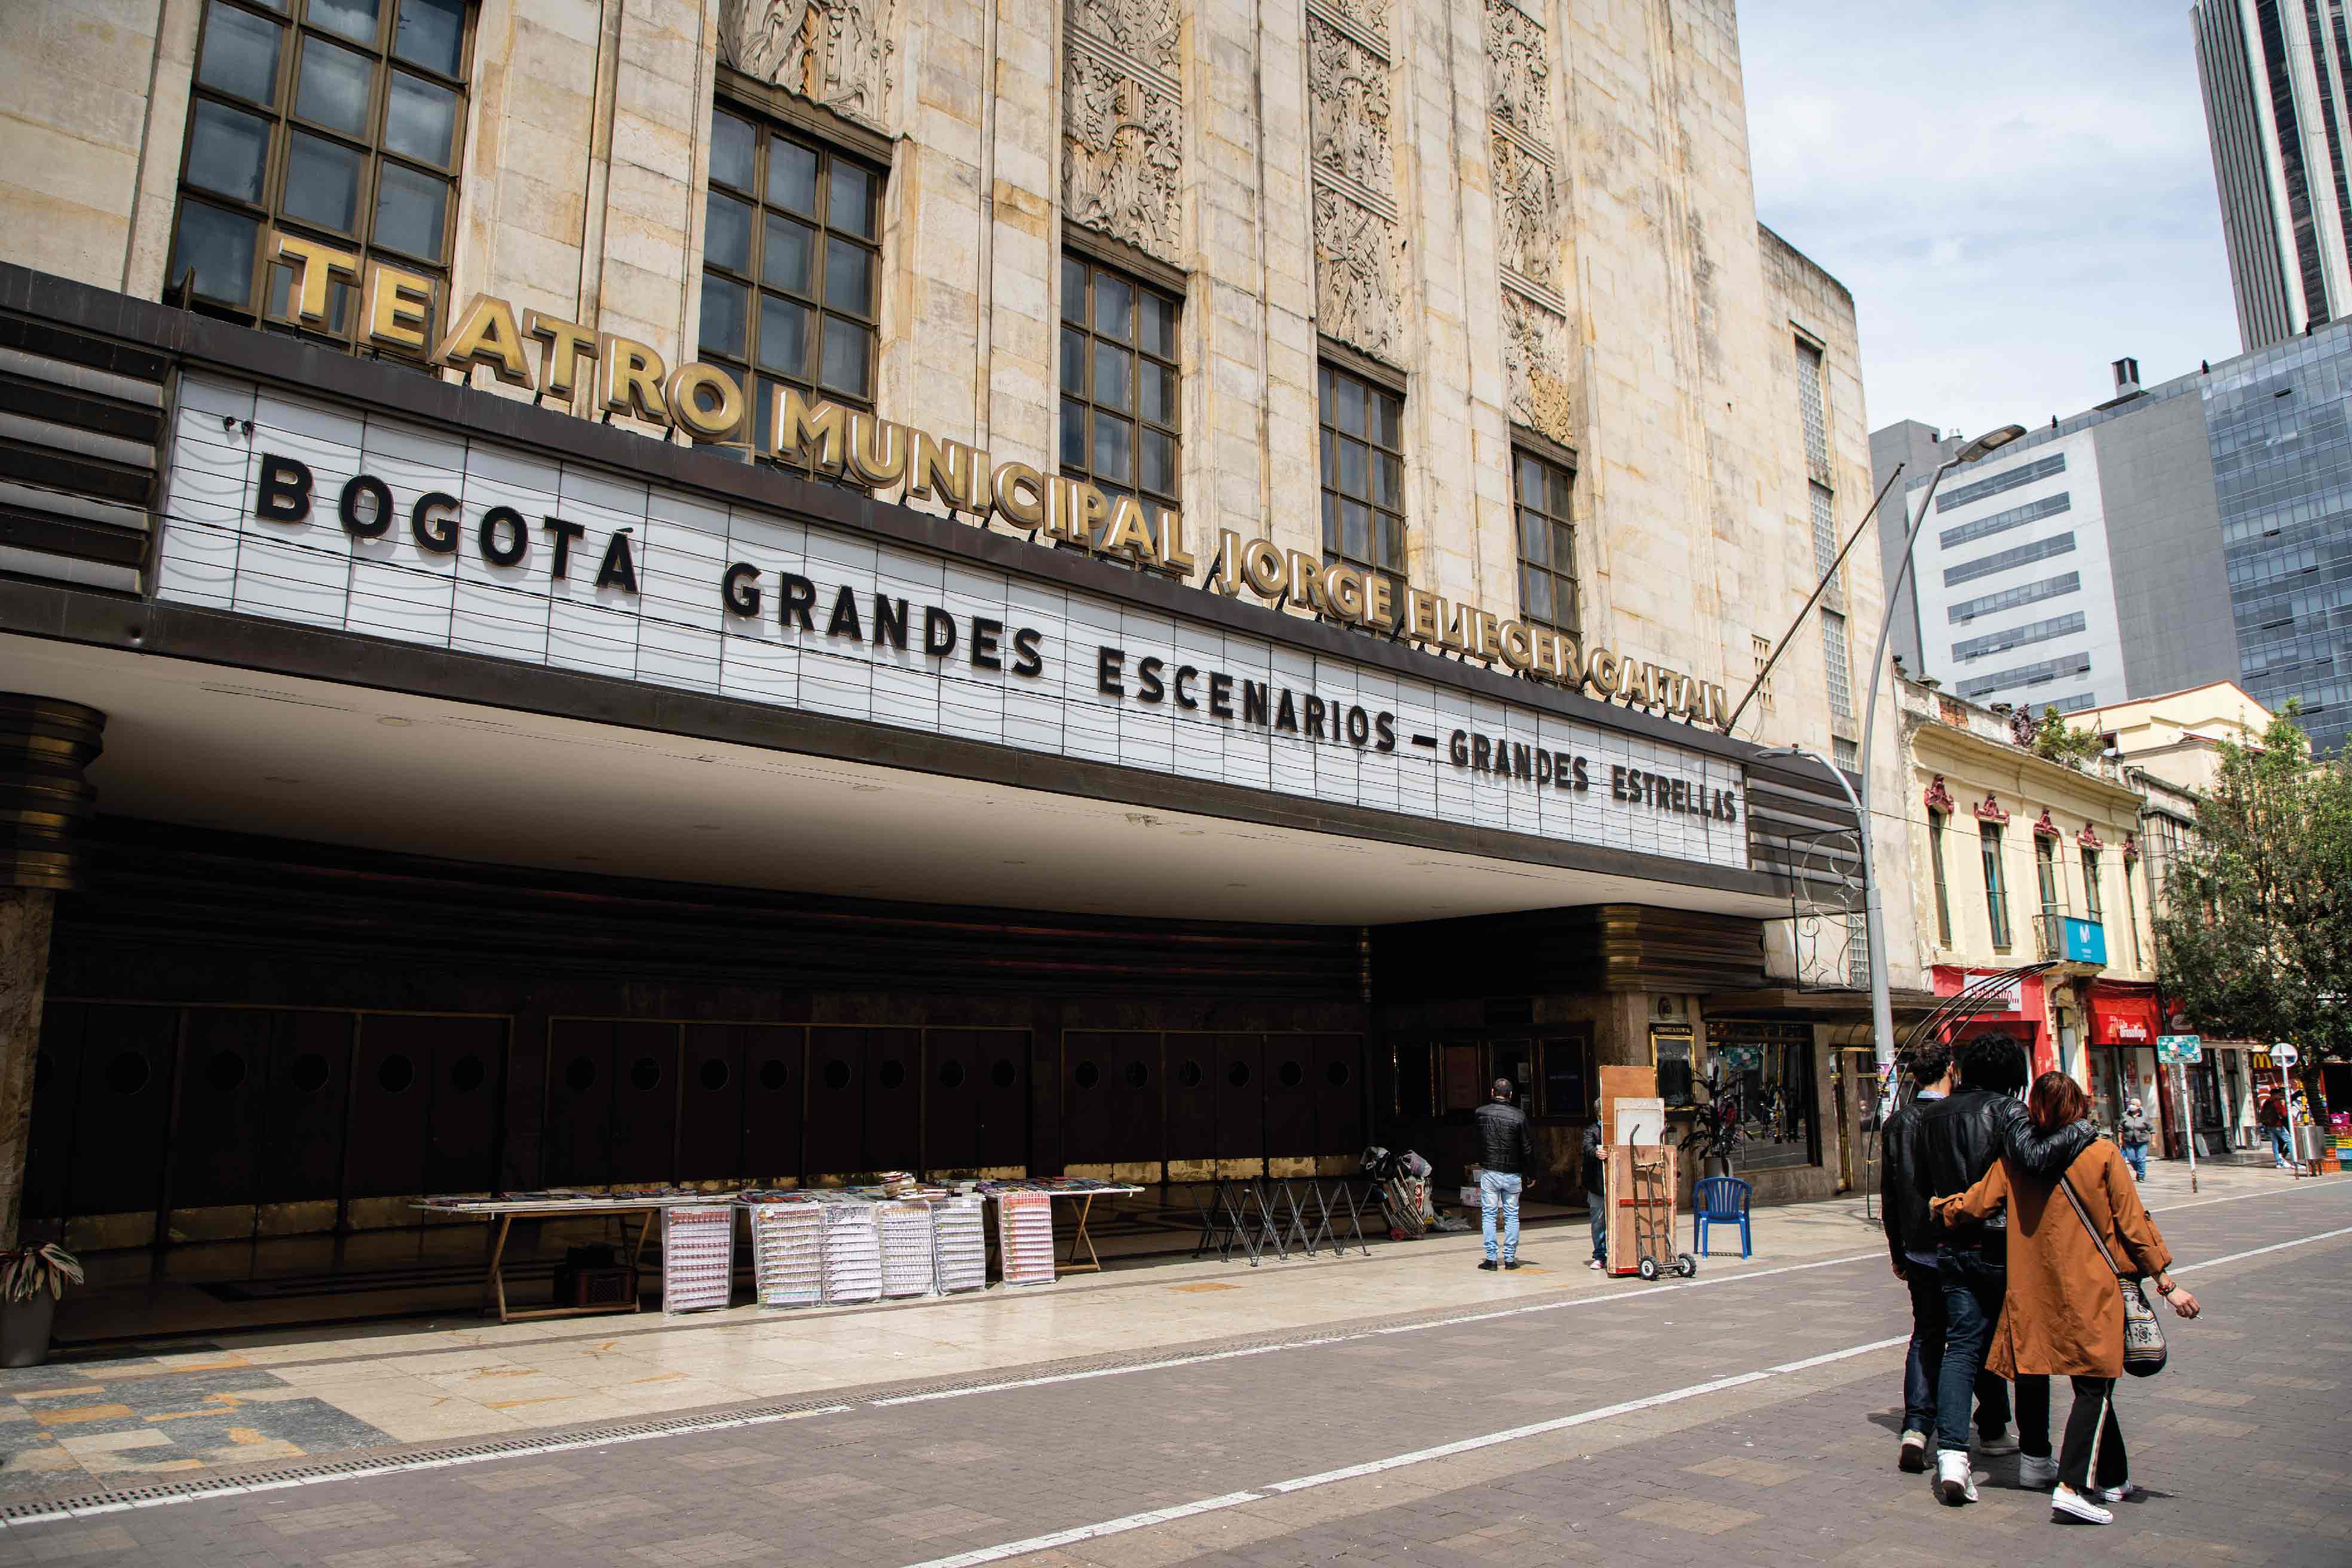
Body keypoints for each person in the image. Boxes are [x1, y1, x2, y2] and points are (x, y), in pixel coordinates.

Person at [1936, 1071, 2203, 1526]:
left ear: (2034, 1108)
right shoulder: (2100, 1152)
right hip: (2091, 1287)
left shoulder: (2013, 1159)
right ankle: (2073, 1486)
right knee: (2094, 1383)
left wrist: (1939, 1207)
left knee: (2089, 1384)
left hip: (2034, 1290)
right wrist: (2166, 1282)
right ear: (2078, 1105)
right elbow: (2132, 1224)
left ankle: (2113, 1478)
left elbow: (1977, 1205)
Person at [1910, 1035, 2095, 1505]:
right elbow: (2033, 1159)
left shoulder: (1930, 1117)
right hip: (2006, 1245)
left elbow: (1919, 1185)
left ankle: (1953, 1454)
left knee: (1962, 1346)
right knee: (2028, 1348)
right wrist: (2081, 1131)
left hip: (1951, 1244)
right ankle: (2034, 1458)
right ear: (2013, 1074)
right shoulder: (2008, 1112)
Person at [1882, 1041, 2004, 1472]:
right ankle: (1991, 1426)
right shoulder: (1962, 1115)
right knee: (1976, 1334)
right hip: (1959, 1238)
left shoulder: (1898, 1122)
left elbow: (1891, 1192)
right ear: (1951, 1068)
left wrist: (1897, 1248)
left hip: (1918, 1246)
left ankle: (1916, 1426)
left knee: (1927, 1333)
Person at [1474, 1077, 1534, 1271]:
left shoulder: (1480, 1113)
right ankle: (1509, 1258)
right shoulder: (1519, 1116)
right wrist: (1531, 1173)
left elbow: (1476, 1140)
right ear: (1511, 1095)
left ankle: (1491, 1259)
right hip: (1512, 1173)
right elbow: (1527, 1148)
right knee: (1512, 1215)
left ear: (1493, 1092)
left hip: (1490, 1171)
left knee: (1489, 1215)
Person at [1581, 1117, 1607, 1271]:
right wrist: (1596, 1152)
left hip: (1618, 1185)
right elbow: (1587, 1147)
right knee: (1598, 1221)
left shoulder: (1620, 1126)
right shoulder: (1592, 1131)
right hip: (1597, 1185)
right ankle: (1600, 1256)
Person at [2117, 1098, 2153, 1181]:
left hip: (2142, 1142)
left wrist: (2154, 1141)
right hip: (2129, 1141)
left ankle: (2141, 1176)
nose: (2131, 1106)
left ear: (2139, 1107)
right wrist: (2120, 1140)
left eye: (2134, 1104)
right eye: (2131, 1104)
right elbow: (2120, 1129)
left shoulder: (2145, 1116)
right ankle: (2139, 1171)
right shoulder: (2125, 1115)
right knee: (2131, 1159)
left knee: (2141, 1159)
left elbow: (2152, 1129)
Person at [2259, 1089, 2292, 1169]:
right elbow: (2284, 1114)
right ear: (2275, 1095)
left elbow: (2262, 1112)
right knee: (2290, 1142)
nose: (2280, 1096)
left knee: (2275, 1144)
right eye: (2279, 1095)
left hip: (2269, 1126)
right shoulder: (2277, 1102)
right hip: (2278, 1125)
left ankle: (2279, 1163)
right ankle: (2295, 1162)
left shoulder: (2266, 1102)